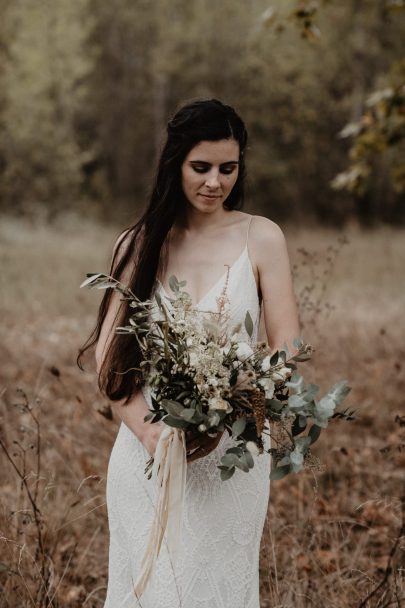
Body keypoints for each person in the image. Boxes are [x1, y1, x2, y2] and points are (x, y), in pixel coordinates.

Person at [78, 98, 300, 607]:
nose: (214, 182)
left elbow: (286, 348)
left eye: (228, 168)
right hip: (147, 452)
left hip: (232, 456)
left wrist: (237, 405)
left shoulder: (262, 237)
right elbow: (109, 361)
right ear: (175, 164)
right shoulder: (137, 243)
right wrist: (155, 437)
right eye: (200, 167)